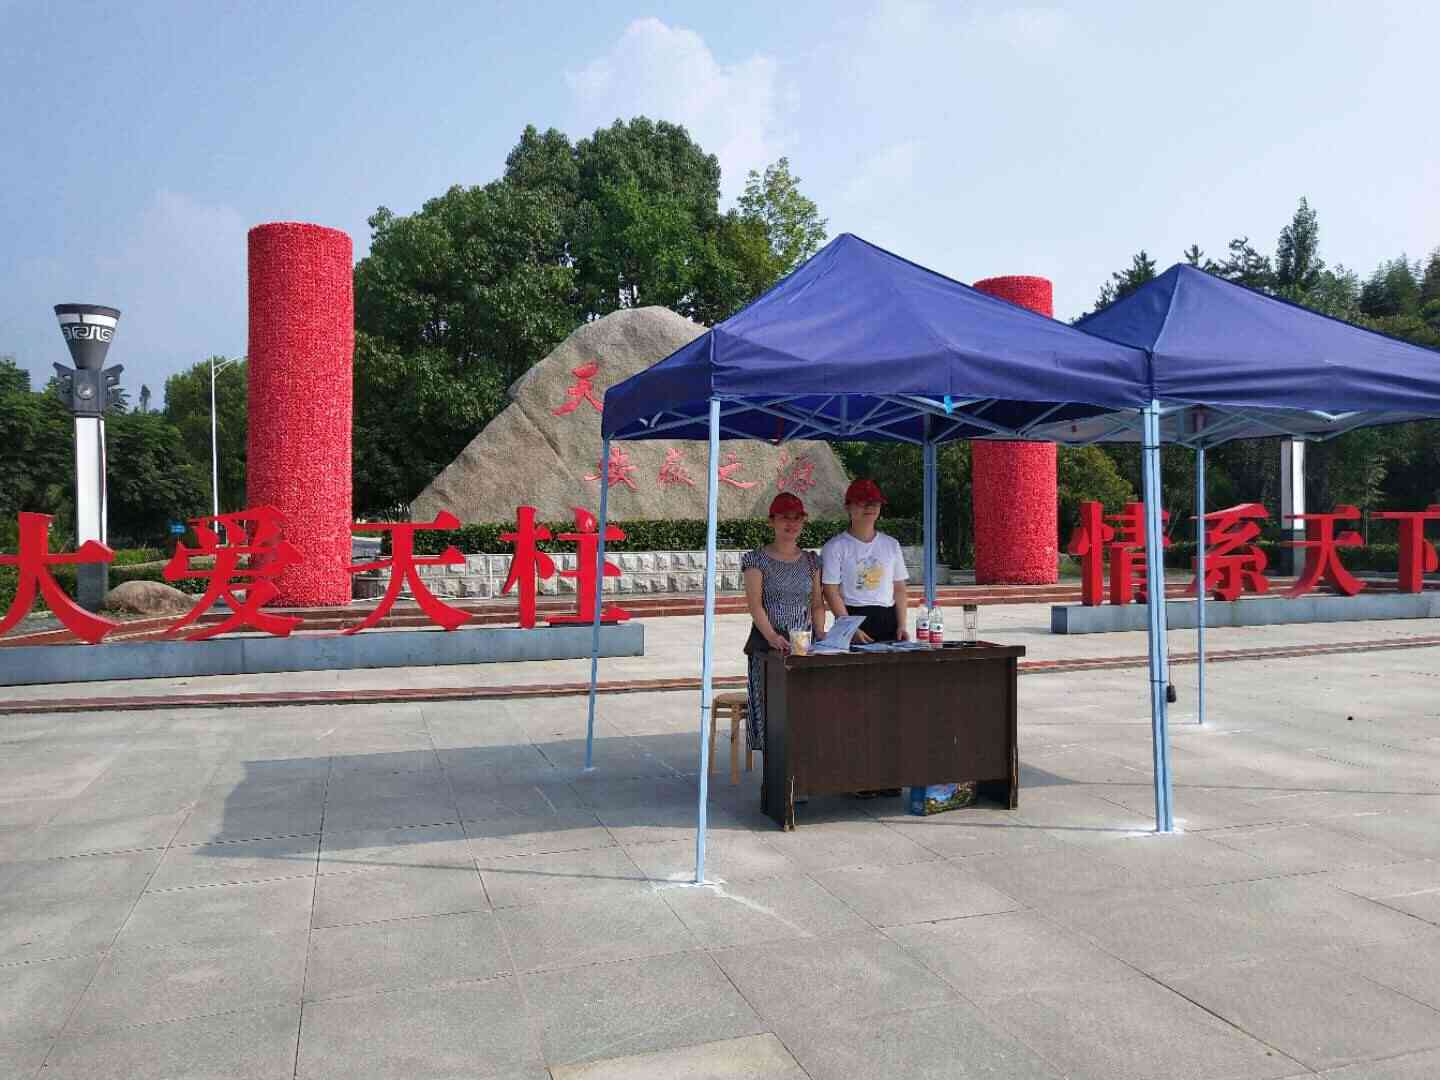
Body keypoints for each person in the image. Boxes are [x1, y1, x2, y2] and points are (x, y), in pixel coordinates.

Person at [741, 492, 827, 754]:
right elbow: (755, 605)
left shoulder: (811, 560)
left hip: (802, 645)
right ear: (772, 521)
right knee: (772, 711)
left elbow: (817, 603)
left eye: (797, 518)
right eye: (784, 518)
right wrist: (772, 637)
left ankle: (802, 768)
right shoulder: (756, 559)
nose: (791, 524)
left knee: (803, 708)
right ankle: (776, 773)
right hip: (768, 646)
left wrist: (820, 633)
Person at [820, 478, 911, 645]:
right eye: (862, 503)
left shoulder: (891, 544)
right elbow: (830, 591)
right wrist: (849, 628)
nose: (869, 508)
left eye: (874, 503)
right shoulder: (834, 547)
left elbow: (899, 588)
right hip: (852, 617)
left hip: (889, 619)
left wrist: (902, 625)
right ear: (848, 507)